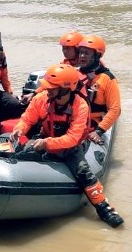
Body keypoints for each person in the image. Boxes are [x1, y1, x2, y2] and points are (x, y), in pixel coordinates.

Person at [9, 63, 124, 228]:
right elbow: (27, 119)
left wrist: (47, 143)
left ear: (65, 89)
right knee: (20, 155)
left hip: (71, 148)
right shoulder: (41, 99)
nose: (47, 90)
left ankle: (104, 207)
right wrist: (20, 129)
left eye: (52, 87)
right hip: (45, 138)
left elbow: (72, 138)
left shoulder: (80, 106)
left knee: (83, 172)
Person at [77, 35, 121, 145]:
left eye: (86, 53)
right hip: (75, 119)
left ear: (97, 56)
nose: (82, 56)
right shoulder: (74, 74)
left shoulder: (108, 79)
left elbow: (115, 109)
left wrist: (99, 131)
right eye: (81, 52)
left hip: (94, 122)